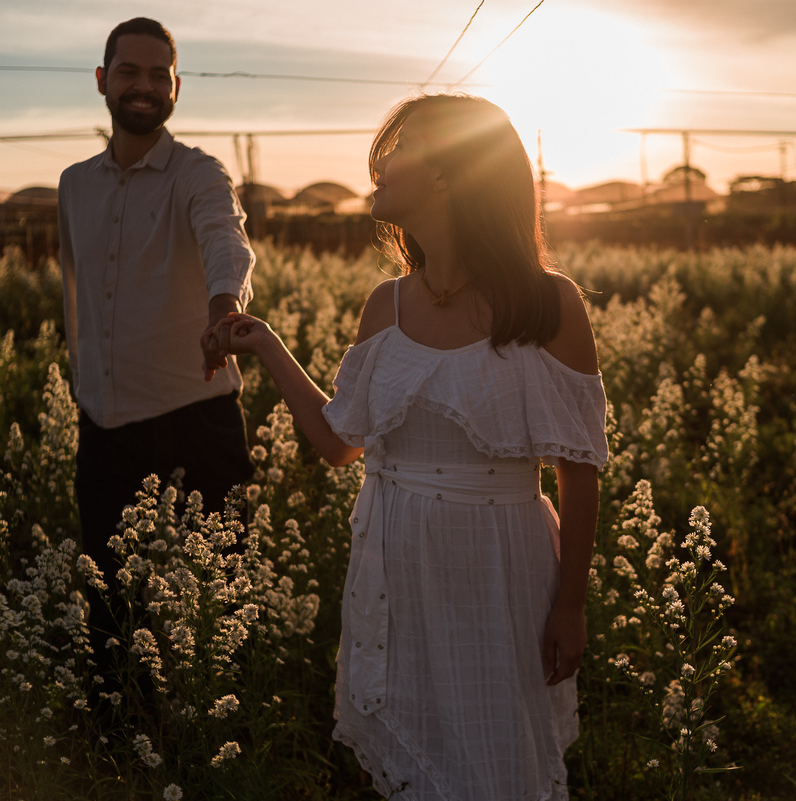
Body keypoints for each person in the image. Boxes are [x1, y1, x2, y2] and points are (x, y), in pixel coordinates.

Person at [208, 94, 607, 800]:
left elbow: (581, 470)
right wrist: (267, 344)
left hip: (498, 568)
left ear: (451, 172)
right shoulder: (386, 305)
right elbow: (340, 442)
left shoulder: (550, 304)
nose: (380, 165)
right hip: (393, 565)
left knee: (500, 763)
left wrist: (569, 604)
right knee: (405, 770)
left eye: (401, 149)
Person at [58, 17, 256, 687]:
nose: (143, 86)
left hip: (195, 412)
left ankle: (224, 721)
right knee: (110, 593)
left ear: (176, 87)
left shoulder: (199, 173)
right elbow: (76, 289)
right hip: (104, 421)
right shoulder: (73, 184)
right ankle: (122, 738)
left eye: (157, 75)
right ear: (101, 81)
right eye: (128, 72)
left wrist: (224, 304)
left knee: (222, 588)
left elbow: (225, 237)